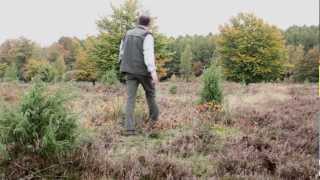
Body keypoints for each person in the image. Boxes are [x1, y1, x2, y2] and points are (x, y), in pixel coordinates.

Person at [119, 14, 159, 136]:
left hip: (129, 71)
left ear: (138, 22)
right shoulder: (147, 35)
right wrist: (153, 72)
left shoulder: (127, 33)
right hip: (143, 71)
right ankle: (153, 122)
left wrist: (122, 63)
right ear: (149, 24)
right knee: (150, 94)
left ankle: (129, 129)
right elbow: (148, 54)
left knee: (130, 99)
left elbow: (121, 51)